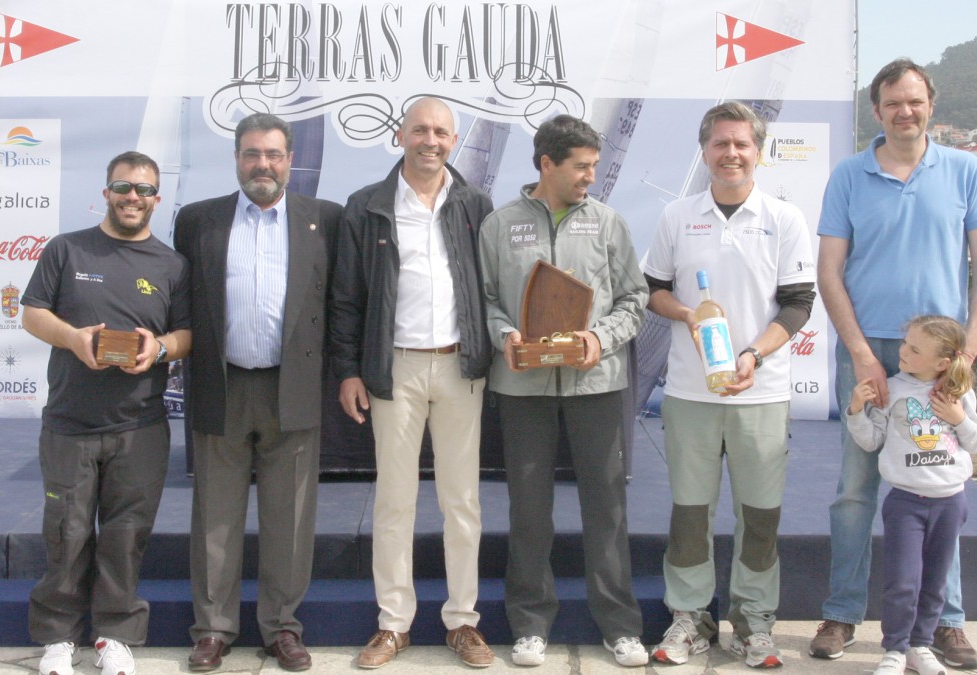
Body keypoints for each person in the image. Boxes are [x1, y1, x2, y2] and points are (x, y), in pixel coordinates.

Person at [811, 58, 977, 671]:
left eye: (915, 101)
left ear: (931, 106)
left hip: (942, 357)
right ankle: (842, 612)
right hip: (870, 352)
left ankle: (945, 622)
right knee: (855, 489)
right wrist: (864, 354)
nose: (905, 111)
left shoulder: (966, 169)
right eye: (893, 102)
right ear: (877, 109)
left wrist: (965, 354)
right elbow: (830, 273)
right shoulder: (848, 174)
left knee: (944, 483)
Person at [642, 101, 816, 669]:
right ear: (705, 151)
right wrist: (689, 315)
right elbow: (654, 289)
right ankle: (690, 618)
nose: (731, 153)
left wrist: (752, 354)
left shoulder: (783, 219)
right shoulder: (677, 217)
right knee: (690, 511)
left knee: (759, 513)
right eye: (721, 143)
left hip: (760, 392)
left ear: (758, 153)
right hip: (692, 393)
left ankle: (752, 623)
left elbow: (797, 304)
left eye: (742, 144)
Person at [328, 97, 496, 669]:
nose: (431, 140)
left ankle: (462, 621)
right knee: (395, 502)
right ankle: (393, 623)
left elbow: (489, 288)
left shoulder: (475, 203)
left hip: (459, 367)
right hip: (393, 369)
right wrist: (350, 369)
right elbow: (345, 299)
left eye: (441, 132)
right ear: (400, 135)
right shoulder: (367, 206)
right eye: (421, 129)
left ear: (454, 139)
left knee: (462, 502)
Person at [478, 114, 650, 668]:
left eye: (595, 166)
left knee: (607, 506)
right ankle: (530, 624)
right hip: (522, 385)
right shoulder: (499, 224)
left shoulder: (607, 223)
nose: (590, 177)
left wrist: (601, 338)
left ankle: (620, 626)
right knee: (529, 509)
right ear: (547, 164)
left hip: (596, 385)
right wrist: (504, 335)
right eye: (581, 166)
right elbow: (483, 298)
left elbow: (635, 299)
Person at [173, 113, 342, 672]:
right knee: (215, 517)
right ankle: (213, 630)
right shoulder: (198, 220)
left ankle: (282, 628)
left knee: (290, 518)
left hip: (291, 388)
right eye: (251, 154)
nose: (262, 164)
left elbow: (337, 307)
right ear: (237, 158)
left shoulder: (324, 221)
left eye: (272, 154)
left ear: (290, 159)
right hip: (221, 386)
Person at [21, 151, 191, 675]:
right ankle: (57, 638)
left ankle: (114, 634)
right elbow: (31, 314)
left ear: (157, 200)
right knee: (66, 532)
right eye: (123, 186)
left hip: (140, 425)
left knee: (125, 535)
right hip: (70, 422)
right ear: (106, 191)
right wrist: (73, 338)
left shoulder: (171, 264)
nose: (132, 197)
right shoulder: (66, 249)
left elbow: (188, 336)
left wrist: (157, 348)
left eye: (143, 190)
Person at [844, 315, 977, 675]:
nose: (902, 351)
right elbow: (871, 440)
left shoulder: (960, 393)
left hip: (951, 502)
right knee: (903, 581)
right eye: (905, 343)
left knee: (935, 581)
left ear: (942, 362)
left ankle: (920, 646)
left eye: (914, 348)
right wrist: (856, 411)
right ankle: (895, 648)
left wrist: (957, 417)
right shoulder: (893, 389)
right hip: (905, 503)